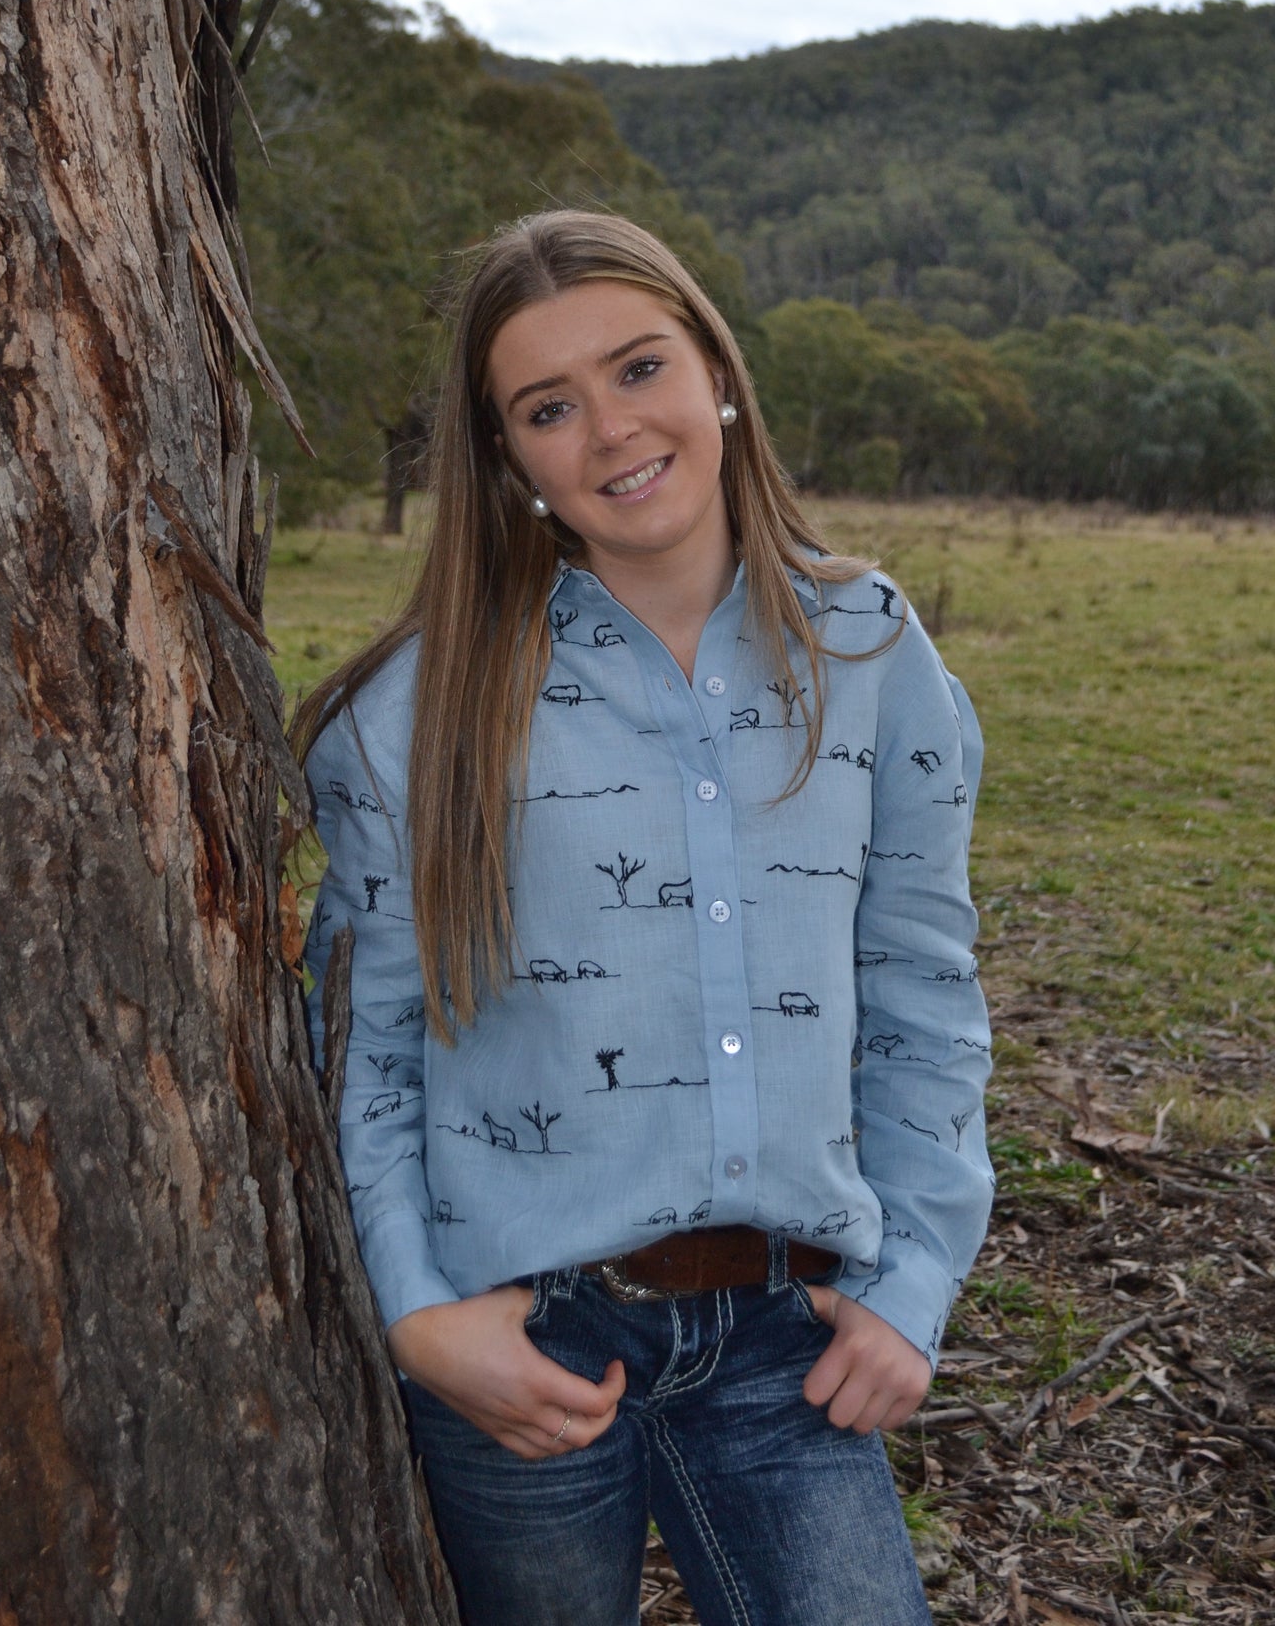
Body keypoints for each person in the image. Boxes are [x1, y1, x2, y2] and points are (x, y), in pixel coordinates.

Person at [297, 209, 993, 1626]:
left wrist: (915, 1272)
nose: (610, 430)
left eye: (638, 368)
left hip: (785, 1339)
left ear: (717, 373)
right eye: (547, 407)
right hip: (523, 1343)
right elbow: (369, 1044)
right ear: (506, 458)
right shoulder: (411, 715)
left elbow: (921, 988)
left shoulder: (865, 649)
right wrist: (418, 1311)